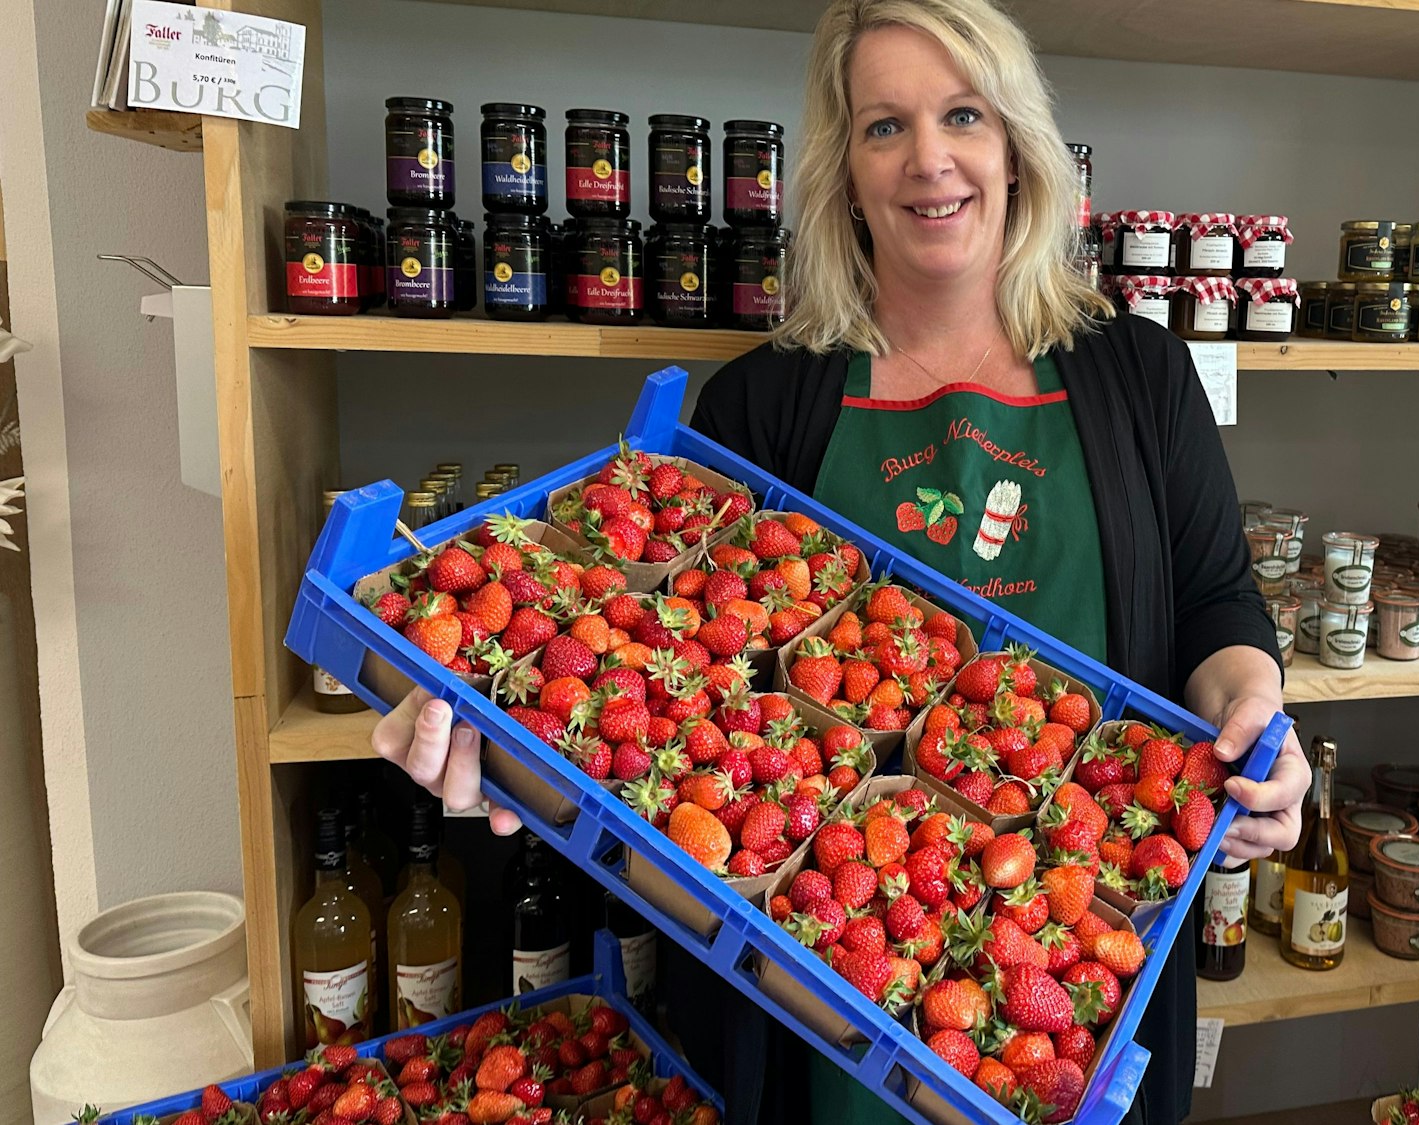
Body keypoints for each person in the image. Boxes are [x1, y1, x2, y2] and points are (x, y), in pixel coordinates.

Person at [371, 0, 1309, 1120]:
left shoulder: (1139, 374)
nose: (929, 160)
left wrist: (1255, 718)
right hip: (814, 970)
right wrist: (497, 738)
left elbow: (1214, 603)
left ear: (1015, 145)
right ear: (842, 171)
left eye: (962, 114)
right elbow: (678, 686)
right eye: (882, 127)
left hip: (1080, 934)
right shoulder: (761, 403)